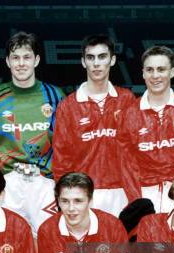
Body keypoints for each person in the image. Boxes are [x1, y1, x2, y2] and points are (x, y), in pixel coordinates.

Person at [0, 31, 64, 235]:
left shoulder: (55, 95)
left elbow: (65, 144)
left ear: (36, 60)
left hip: (44, 181)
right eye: (15, 58)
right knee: (8, 243)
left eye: (26, 57)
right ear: (8, 62)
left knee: (48, 242)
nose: (21, 63)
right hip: (7, 181)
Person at [52, 34, 139, 217]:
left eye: (102, 56)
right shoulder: (68, 106)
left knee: (122, 246)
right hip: (83, 194)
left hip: (122, 192)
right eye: (90, 57)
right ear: (83, 62)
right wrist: (66, 198)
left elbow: (136, 151)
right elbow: (61, 159)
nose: (96, 63)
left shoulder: (127, 100)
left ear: (112, 59)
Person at [119, 46, 174, 213]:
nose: (155, 76)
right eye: (150, 70)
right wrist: (138, 203)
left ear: (172, 72)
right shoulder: (128, 113)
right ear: (143, 73)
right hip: (143, 195)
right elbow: (126, 165)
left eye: (161, 69)